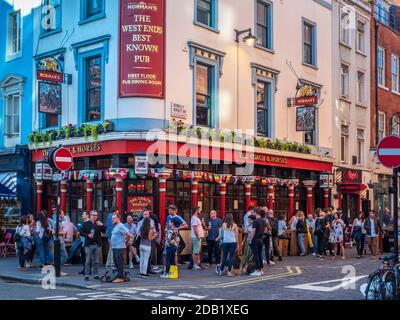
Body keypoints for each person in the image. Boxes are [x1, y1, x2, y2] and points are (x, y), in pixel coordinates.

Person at [80, 210, 106, 281]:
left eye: (96, 215)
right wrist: (87, 235)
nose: (95, 217)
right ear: (90, 216)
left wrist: (102, 225)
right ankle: (86, 275)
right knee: (88, 260)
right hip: (88, 244)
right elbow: (81, 232)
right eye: (93, 215)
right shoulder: (86, 223)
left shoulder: (98, 223)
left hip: (97, 244)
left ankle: (96, 274)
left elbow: (104, 231)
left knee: (96, 261)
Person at [110, 213, 131, 283]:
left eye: (114, 218)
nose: (112, 219)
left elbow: (128, 234)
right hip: (115, 247)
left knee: (119, 262)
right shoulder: (115, 225)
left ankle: (121, 277)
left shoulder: (121, 225)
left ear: (118, 218)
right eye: (112, 218)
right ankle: (119, 275)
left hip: (120, 247)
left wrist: (126, 242)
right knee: (116, 262)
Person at [250, 207, 266, 276]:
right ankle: (261, 270)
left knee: (256, 255)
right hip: (261, 239)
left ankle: (257, 270)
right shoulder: (263, 220)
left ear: (256, 213)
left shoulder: (255, 221)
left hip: (255, 239)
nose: (252, 213)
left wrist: (251, 239)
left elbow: (253, 231)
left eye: (253, 212)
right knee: (260, 255)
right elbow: (265, 230)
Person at [190, 206, 204, 270]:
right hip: (196, 237)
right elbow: (195, 228)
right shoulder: (194, 218)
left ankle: (197, 264)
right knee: (195, 251)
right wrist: (198, 236)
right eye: (199, 210)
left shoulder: (196, 218)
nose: (200, 211)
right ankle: (195, 265)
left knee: (197, 251)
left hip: (198, 237)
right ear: (196, 210)